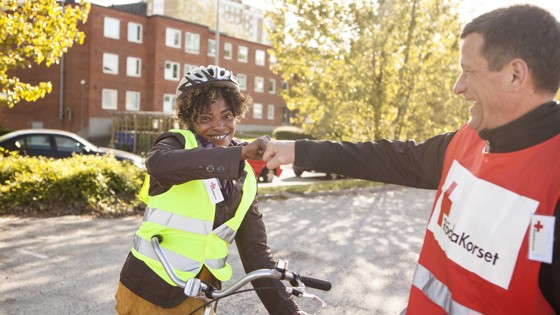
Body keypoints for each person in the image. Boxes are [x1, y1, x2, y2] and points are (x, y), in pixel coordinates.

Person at [263, 5, 560, 315]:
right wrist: (297, 150)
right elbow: (386, 157)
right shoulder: (467, 142)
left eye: (470, 72)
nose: (458, 87)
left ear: (515, 75)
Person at [115, 65, 305, 315]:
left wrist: (289, 312)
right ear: (190, 119)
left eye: (227, 116)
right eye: (206, 118)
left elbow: (255, 254)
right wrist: (239, 153)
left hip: (203, 296)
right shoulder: (176, 144)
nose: (220, 126)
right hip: (149, 292)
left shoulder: (245, 177)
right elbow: (158, 165)